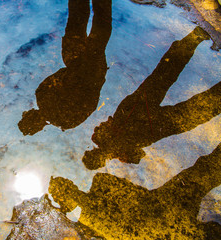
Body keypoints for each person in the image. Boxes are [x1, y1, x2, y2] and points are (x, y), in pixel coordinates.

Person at [82, 26, 218, 169]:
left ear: (102, 163)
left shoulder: (113, 148)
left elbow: (139, 155)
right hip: (137, 112)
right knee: (164, 76)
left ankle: (193, 39)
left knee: (191, 111)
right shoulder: (99, 138)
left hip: (148, 124)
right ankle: (193, 39)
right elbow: (109, 124)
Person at [49, 142, 221, 239]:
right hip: (166, 207)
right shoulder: (93, 210)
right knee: (206, 169)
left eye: (64, 185)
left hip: (166, 209)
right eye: (65, 186)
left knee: (206, 170)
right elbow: (136, 192)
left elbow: (136, 192)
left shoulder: (90, 219)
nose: (68, 185)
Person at [18, 0, 112, 135]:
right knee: (77, 20)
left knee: (101, 27)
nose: (27, 112)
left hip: (92, 72)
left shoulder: (67, 122)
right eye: (26, 115)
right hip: (76, 61)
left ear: (39, 128)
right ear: (30, 116)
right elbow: (59, 74)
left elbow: (91, 104)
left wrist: (91, 80)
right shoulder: (41, 95)